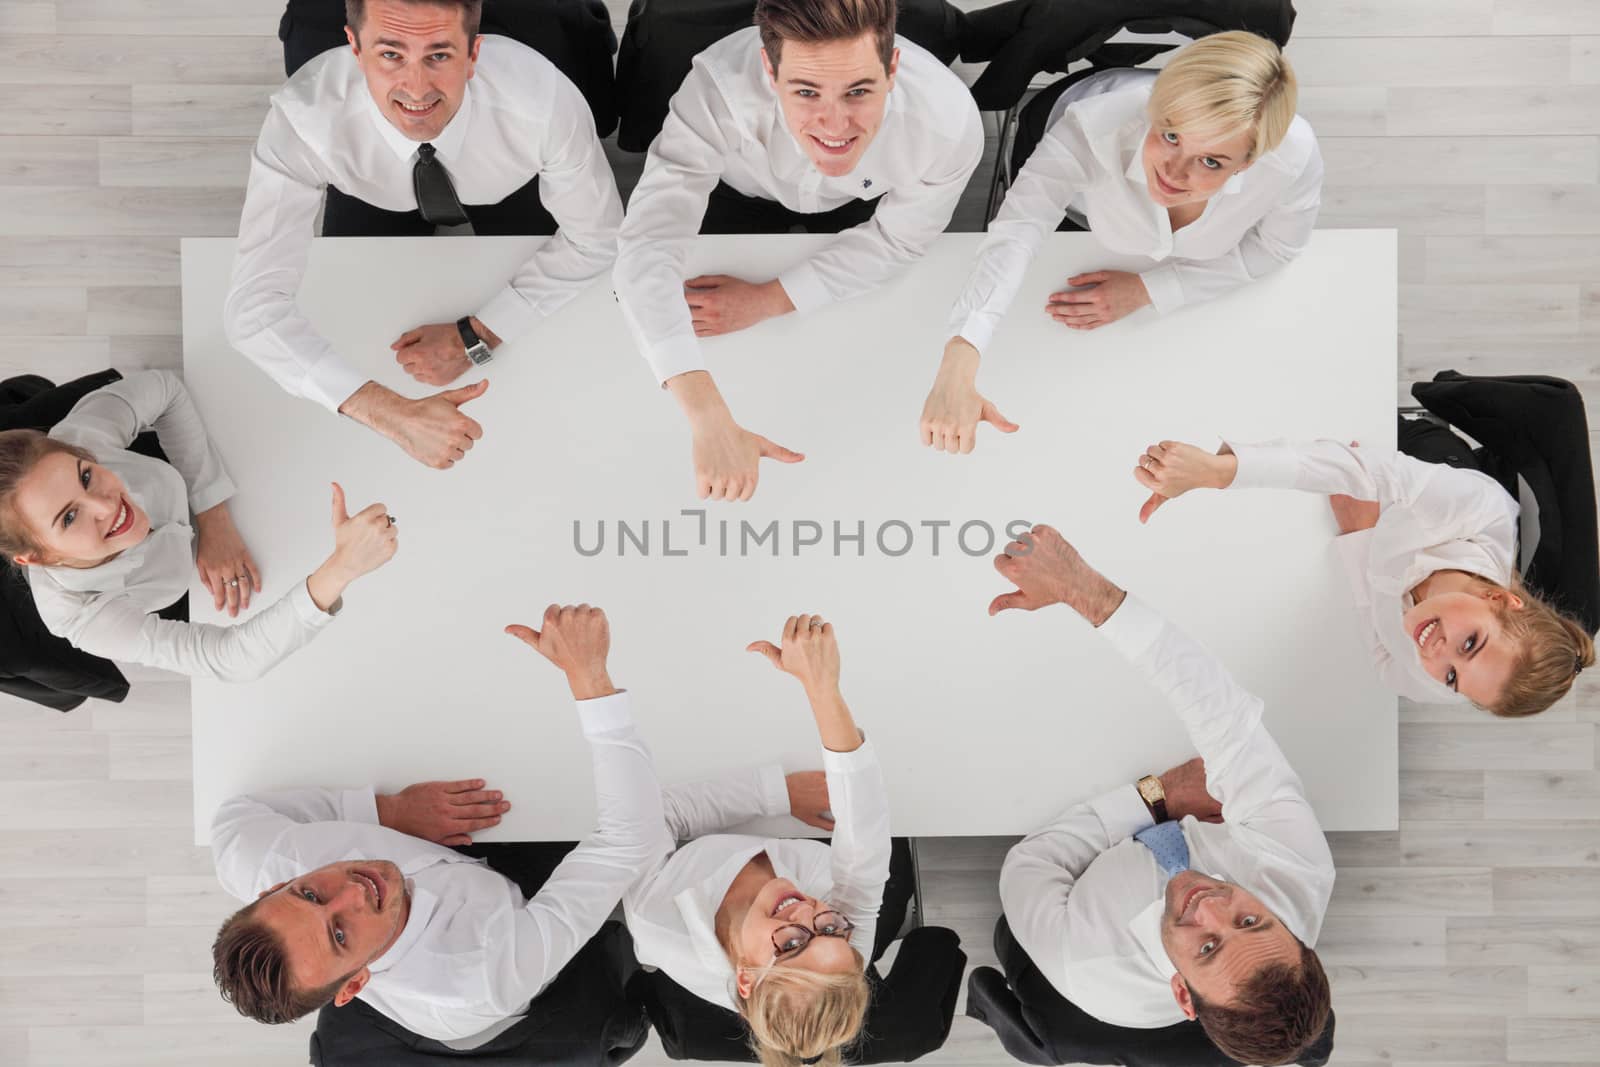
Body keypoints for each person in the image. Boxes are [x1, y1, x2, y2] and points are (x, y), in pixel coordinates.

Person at [209, 603, 666, 1045]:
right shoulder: (485, 974)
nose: (353, 890)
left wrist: (387, 812)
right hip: (526, 932)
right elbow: (629, 840)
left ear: (272, 888)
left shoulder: (258, 857)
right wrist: (589, 677)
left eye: (310, 893)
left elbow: (233, 819)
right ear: (353, 987)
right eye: (340, 934)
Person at [982, 524, 1334, 1066]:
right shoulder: (1300, 871)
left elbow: (1031, 861)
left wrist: (1156, 797)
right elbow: (1226, 717)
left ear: (1181, 993)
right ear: (1289, 929)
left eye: (1208, 946)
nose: (1211, 904)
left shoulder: (1086, 963)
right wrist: (1085, 589)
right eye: (1250, 920)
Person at [225, 0, 624, 469]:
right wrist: (390, 413)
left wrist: (478, 335)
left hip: (516, 171)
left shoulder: (542, 104)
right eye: (391, 55)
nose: (416, 90)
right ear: (353, 47)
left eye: (439, 55)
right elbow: (253, 311)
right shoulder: (305, 122)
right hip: (367, 183)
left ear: (475, 53)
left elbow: (597, 238)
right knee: (356, 301)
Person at [614, 0, 983, 501]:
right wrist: (707, 416)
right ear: (770, 71)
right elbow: (649, 242)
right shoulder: (718, 88)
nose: (834, 125)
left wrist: (769, 299)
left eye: (858, 91)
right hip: (732, 191)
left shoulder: (946, 119)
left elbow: (897, 238)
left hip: (859, 203)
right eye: (806, 92)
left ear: (892, 68)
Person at [921, 32, 1322, 454]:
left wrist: (1150, 289)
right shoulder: (1092, 126)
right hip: (1079, 203)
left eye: (1210, 161)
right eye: (1170, 136)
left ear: (1248, 162)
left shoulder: (1291, 159)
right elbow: (1017, 232)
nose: (1174, 172)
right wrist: (959, 362)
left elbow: (1278, 248)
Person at [1132, 431, 1596, 716]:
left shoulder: (1434, 684)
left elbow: (1386, 664)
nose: (1437, 653)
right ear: (1500, 600)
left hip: (1373, 523)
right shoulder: (1477, 512)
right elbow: (1372, 471)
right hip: (1435, 470)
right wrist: (1216, 472)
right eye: (1470, 642)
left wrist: (1359, 537)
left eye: (1453, 675)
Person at [0, 370, 396, 682]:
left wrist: (213, 514)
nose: (107, 505)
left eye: (86, 476)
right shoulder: (83, 617)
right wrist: (341, 569)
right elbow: (231, 659)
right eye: (69, 517)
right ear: (35, 556)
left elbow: (166, 390)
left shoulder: (81, 438)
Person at [623, 614, 891, 1066]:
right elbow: (865, 832)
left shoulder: (656, 914)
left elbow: (657, 816)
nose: (808, 911)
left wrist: (777, 791)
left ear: (745, 979)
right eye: (830, 928)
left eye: (790, 944)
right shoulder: (843, 952)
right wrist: (821, 686)